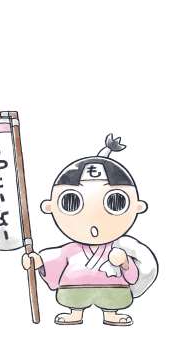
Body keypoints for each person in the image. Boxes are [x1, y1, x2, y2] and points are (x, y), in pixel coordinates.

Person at [22, 134, 157, 326]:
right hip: (74, 289)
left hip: (113, 290)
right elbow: (56, 259)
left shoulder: (120, 247)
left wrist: (125, 262)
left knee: (114, 299)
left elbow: (132, 275)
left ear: (137, 207)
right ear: (50, 207)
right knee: (73, 298)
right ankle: (75, 312)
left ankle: (111, 314)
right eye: (71, 202)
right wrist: (37, 261)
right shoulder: (71, 250)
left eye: (116, 202)